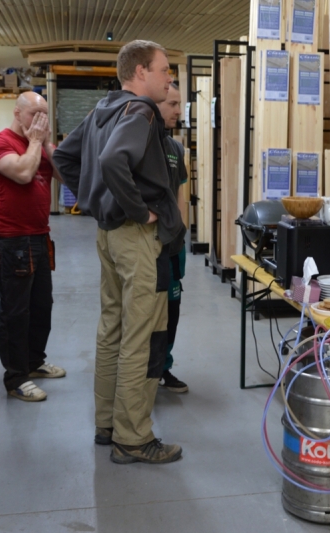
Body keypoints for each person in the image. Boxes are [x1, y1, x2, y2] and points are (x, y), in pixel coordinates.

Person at [53, 40, 185, 464]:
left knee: (112, 327)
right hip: (135, 236)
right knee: (141, 335)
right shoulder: (141, 112)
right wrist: (138, 210)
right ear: (141, 72)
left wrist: (93, 199)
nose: (169, 78)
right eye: (164, 70)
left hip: (108, 235)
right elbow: (113, 160)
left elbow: (63, 157)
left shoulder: (102, 109)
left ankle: (107, 423)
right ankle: (133, 438)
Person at [0, 92, 66, 403]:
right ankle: (16, 377)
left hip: (40, 237)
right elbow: (22, 173)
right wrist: (35, 142)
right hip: (13, 241)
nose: (40, 120)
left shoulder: (40, 145)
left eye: (45, 114)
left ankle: (33, 361)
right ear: (17, 113)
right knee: (15, 312)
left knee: (42, 306)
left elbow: (66, 177)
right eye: (35, 113)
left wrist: (46, 145)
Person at [156, 82, 189, 394]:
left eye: (180, 104)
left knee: (172, 310)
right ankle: (145, 373)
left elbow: (180, 194)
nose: (178, 111)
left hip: (173, 246)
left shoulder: (176, 149)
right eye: (172, 104)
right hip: (151, 245)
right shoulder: (143, 144)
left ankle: (164, 367)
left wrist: (181, 231)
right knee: (149, 313)